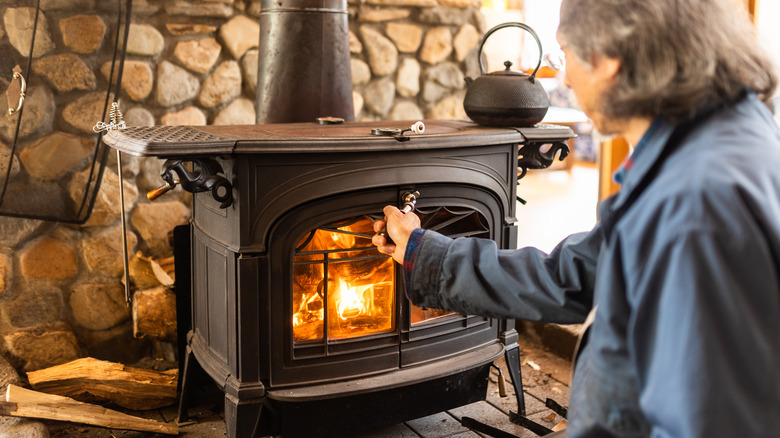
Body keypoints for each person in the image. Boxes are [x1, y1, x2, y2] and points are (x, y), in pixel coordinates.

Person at [372, 0, 780, 436]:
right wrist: (424, 252)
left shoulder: (696, 203)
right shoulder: (704, 149)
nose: (565, 77)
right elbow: (574, 274)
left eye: (566, 53)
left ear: (607, 58)